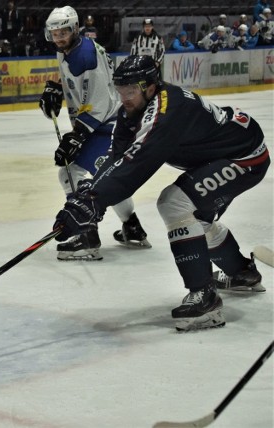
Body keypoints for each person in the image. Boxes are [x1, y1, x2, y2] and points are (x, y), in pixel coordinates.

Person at [52, 55, 269, 331]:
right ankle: (242, 273)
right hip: (220, 154)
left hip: (245, 156)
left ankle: (205, 297)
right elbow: (117, 157)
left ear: (150, 87)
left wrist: (94, 201)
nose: (124, 98)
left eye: (130, 91)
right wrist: (86, 197)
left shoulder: (167, 110)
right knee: (195, 219)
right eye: (121, 91)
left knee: (174, 203)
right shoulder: (132, 111)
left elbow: (138, 162)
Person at [39, 6, 150, 261]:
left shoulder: (86, 56)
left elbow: (100, 102)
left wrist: (78, 135)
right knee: (109, 179)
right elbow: (71, 77)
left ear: (75, 29)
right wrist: (55, 88)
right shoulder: (72, 49)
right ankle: (132, 225)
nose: (58, 38)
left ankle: (86, 234)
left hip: (109, 125)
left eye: (63, 32)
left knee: (71, 173)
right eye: (54, 33)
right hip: (105, 124)